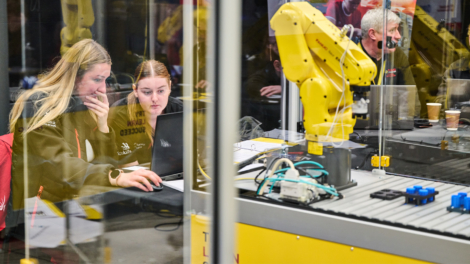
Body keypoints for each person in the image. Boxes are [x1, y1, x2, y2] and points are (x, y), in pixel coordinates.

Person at [7, 39, 162, 223]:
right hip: (39, 216)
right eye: (97, 79)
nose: (102, 89)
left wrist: (103, 125)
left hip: (77, 209)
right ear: (75, 77)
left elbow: (103, 162)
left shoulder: (82, 106)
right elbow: (59, 166)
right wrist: (114, 175)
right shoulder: (37, 105)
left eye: (106, 80)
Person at [109, 60, 183, 166]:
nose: (154, 98)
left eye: (161, 91)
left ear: (170, 87)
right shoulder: (120, 114)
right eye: (147, 92)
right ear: (135, 90)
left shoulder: (178, 110)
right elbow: (130, 169)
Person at [359, 8, 415, 86]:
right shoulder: (348, 56)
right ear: (372, 34)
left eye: (397, 30)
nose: (398, 36)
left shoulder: (397, 55)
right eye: (392, 30)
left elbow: (408, 94)